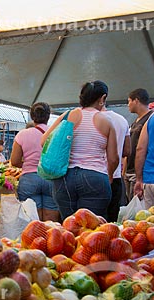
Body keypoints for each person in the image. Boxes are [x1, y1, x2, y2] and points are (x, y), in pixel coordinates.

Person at [43, 81, 118, 219]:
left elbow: (44, 141)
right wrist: (110, 175)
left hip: (64, 178)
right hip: (95, 177)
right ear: (102, 98)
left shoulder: (67, 116)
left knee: (69, 227)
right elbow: (113, 158)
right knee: (93, 229)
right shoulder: (106, 122)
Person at [11, 102, 60, 222]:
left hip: (29, 179)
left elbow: (15, 161)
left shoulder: (22, 134)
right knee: (51, 222)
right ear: (49, 116)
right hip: (51, 178)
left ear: (32, 116)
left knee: (32, 220)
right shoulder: (56, 133)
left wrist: (29, 164)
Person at [124, 88, 154, 201]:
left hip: (141, 173)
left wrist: (140, 177)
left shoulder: (151, 118)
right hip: (130, 171)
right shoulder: (135, 121)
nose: (128, 105)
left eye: (129, 101)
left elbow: (142, 148)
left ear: (136, 100)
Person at [102, 107, 130, 222]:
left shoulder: (90, 118)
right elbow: (127, 151)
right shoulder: (122, 120)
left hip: (95, 175)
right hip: (116, 176)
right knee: (112, 220)